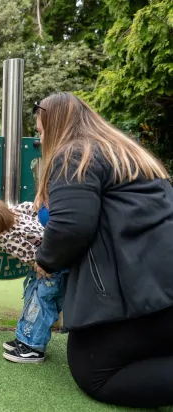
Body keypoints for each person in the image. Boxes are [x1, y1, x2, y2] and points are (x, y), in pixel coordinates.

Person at [33, 92, 173, 408]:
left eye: (41, 132)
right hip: (163, 283)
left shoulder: (74, 155)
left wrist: (46, 260)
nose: (39, 140)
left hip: (149, 293)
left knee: (94, 370)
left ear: (55, 127)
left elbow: (72, 227)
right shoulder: (130, 154)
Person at [0, 192, 66, 363]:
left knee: (40, 305)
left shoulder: (6, 239)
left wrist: (45, 266)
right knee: (32, 299)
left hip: (52, 270)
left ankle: (33, 347)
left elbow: (34, 258)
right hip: (56, 259)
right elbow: (35, 209)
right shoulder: (18, 210)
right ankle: (24, 337)